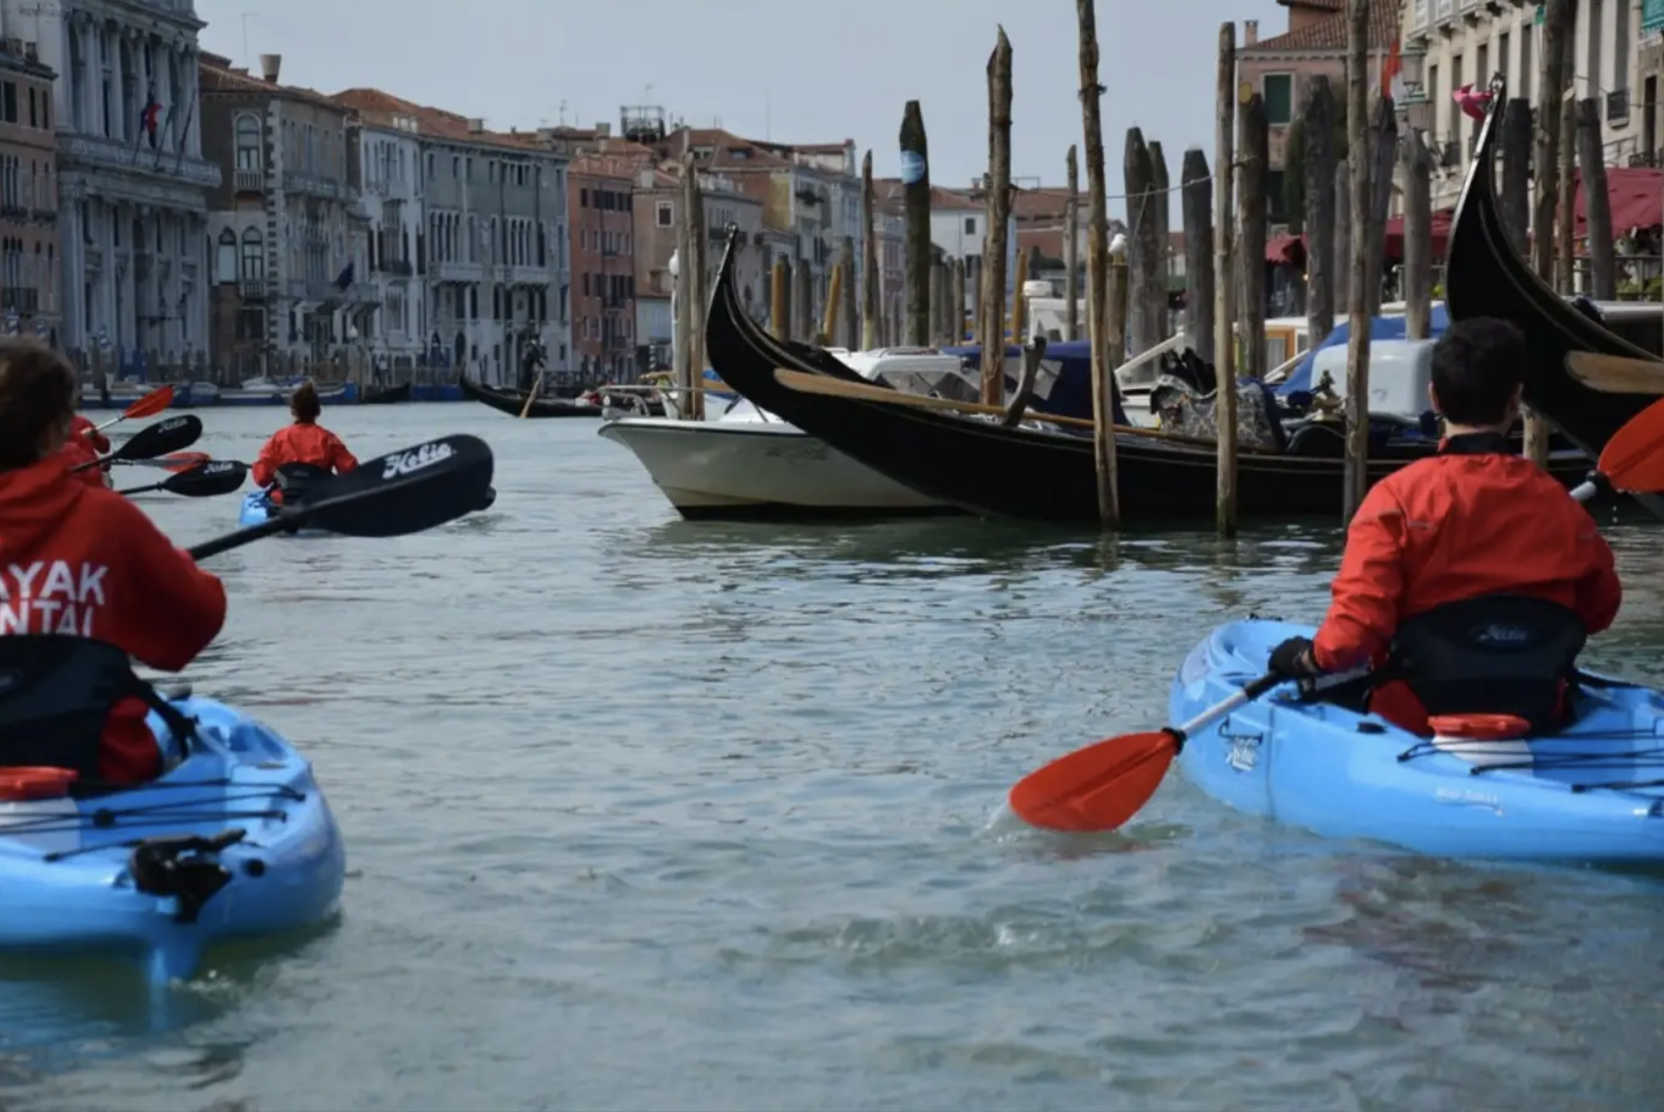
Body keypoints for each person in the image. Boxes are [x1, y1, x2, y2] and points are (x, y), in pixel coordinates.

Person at [1268, 317, 1622, 735]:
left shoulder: (1395, 501)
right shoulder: (1563, 509)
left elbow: (1352, 637)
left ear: (1433, 398)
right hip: (1537, 714)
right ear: (1515, 401)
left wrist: (1307, 660)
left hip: (1415, 722)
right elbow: (1600, 611)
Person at [0, 339, 227, 783]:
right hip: (99, 769)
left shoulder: (105, 517)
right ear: (53, 432)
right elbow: (195, 624)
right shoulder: (105, 518)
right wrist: (169, 564)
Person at [250, 381, 358, 502]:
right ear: (318, 411)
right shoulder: (329, 439)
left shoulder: (278, 439)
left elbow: (261, 478)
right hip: (319, 500)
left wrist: (259, 468)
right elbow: (351, 474)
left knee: (275, 486)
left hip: (284, 500)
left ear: (293, 411)